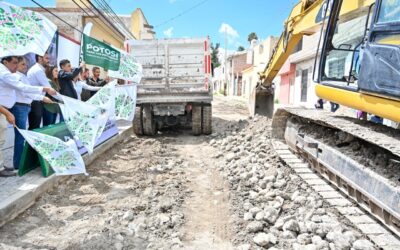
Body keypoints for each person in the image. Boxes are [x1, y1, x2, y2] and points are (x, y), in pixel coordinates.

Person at [0, 56, 56, 174]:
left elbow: (27, 91)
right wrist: (44, 90)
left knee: (17, 136)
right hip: (18, 107)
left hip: (21, 107)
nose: (24, 66)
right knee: (20, 136)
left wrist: (41, 96)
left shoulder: (19, 75)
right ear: (5, 62)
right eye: (19, 64)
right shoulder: (10, 75)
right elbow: (24, 89)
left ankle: (16, 163)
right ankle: (18, 163)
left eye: (25, 64)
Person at [27, 53, 52, 130]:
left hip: (37, 101)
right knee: (34, 127)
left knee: (35, 126)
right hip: (35, 101)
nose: (49, 61)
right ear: (40, 58)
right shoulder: (38, 70)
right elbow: (49, 88)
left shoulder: (40, 69)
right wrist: (63, 99)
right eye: (47, 58)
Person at [0, 106, 15, 177]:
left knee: (1, 141)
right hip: (2, 110)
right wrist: (8, 113)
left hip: (3, 111)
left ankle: (1, 165)